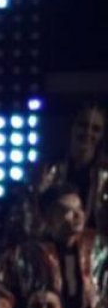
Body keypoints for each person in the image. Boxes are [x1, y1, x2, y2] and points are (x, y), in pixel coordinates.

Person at [10, 101, 108, 240]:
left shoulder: (105, 174)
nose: (88, 133)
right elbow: (29, 217)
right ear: (72, 127)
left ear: (102, 135)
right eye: (83, 125)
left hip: (96, 247)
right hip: (52, 244)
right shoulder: (48, 169)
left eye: (96, 129)